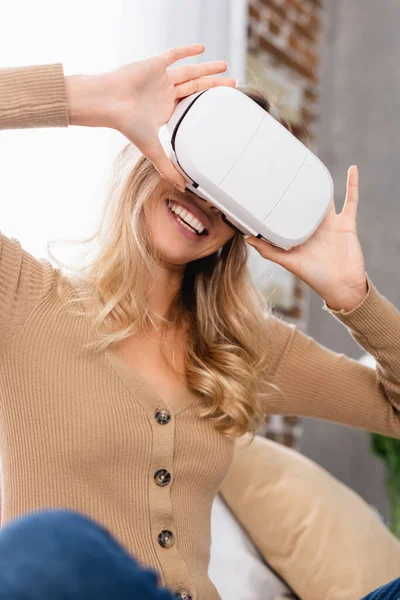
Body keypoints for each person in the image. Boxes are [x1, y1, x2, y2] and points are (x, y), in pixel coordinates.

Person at [0, 42, 399, 599]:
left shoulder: (243, 349)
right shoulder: (22, 299)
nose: (207, 202)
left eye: (235, 195)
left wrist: (355, 298)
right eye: (201, 170)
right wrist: (94, 97)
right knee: (42, 545)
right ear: (154, 150)